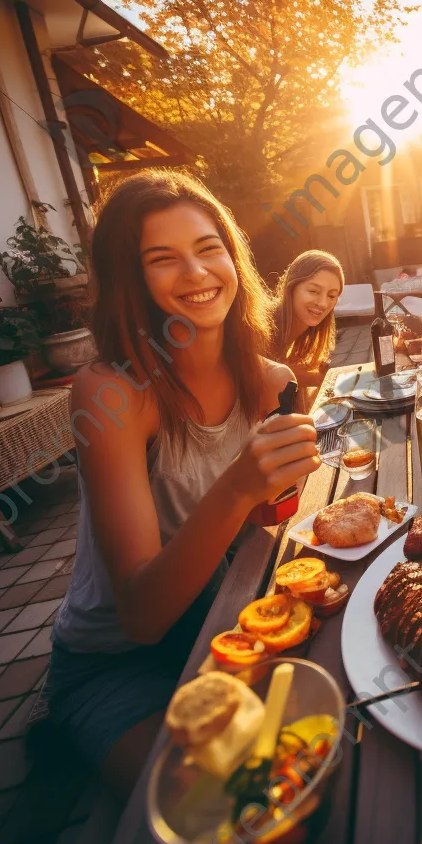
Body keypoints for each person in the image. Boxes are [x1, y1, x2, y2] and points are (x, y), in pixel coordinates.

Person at [45, 171, 321, 798]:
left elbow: (267, 523)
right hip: (116, 663)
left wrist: (269, 493)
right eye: (162, 259)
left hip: (218, 618)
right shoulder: (111, 393)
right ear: (130, 281)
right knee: (231, 808)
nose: (197, 273)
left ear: (232, 257)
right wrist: (237, 486)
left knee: (323, 752)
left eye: (208, 248)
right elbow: (140, 617)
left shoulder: (271, 381)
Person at [269, 249, 344, 408]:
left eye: (331, 296)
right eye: (313, 291)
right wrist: (317, 379)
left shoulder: (305, 334)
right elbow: (264, 376)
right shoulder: (263, 327)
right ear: (292, 286)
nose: (323, 303)